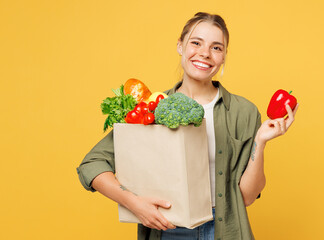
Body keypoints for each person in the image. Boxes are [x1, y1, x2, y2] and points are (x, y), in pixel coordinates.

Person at [77, 12, 299, 240]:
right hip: (168, 227)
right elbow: (91, 165)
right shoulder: (152, 107)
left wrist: (260, 142)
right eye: (196, 43)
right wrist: (135, 203)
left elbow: (247, 197)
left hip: (223, 230)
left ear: (223, 57)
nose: (205, 53)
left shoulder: (244, 112)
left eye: (216, 48)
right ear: (180, 46)